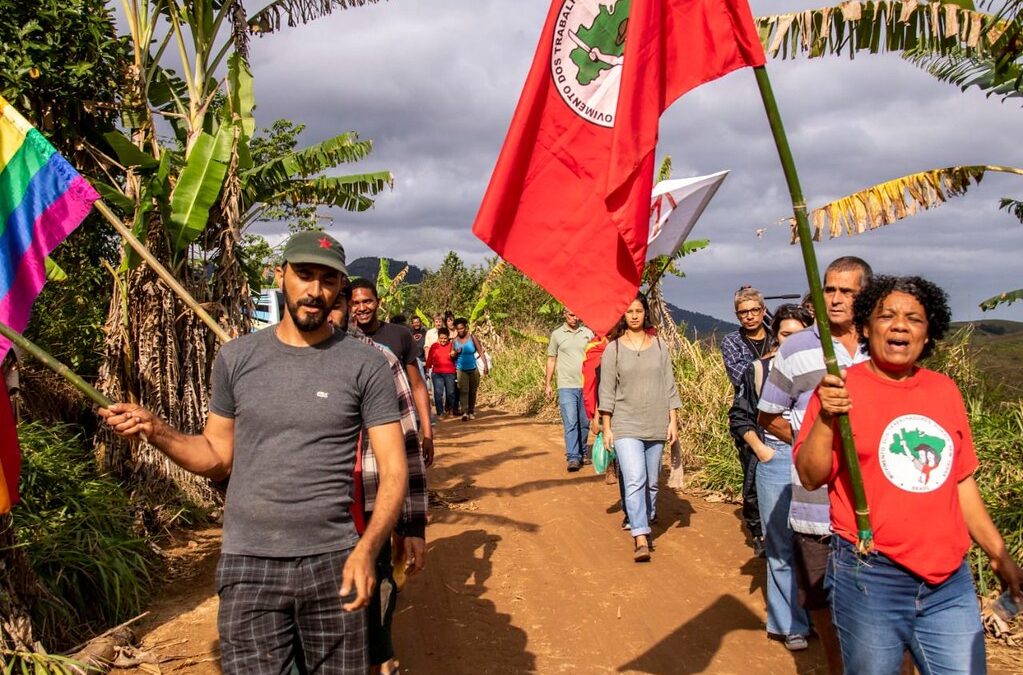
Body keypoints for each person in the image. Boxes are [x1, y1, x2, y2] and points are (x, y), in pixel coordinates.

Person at [100, 232, 407, 673]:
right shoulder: (237, 358)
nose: (315, 290)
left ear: (340, 286)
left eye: (327, 280)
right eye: (304, 275)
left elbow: (393, 471)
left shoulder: (366, 365)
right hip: (248, 564)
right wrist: (157, 431)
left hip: (334, 560)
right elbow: (216, 456)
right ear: (281, 275)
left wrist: (367, 549)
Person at [795, 275, 1023, 674]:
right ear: (866, 328)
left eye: (914, 319)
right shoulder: (839, 389)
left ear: (927, 333)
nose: (900, 325)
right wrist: (827, 416)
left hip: (948, 579)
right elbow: (811, 476)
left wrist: (998, 553)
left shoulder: (943, 390)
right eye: (886, 316)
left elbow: (960, 481)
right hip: (871, 574)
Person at [757, 256, 872, 675]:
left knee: (880, 609)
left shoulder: (880, 345)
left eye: (847, 291)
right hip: (815, 508)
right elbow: (768, 414)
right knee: (823, 603)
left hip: (873, 507)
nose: (836, 299)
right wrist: (812, 452)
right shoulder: (797, 348)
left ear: (866, 295)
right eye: (829, 290)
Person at [328, 292, 427, 675]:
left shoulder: (380, 360)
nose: (328, 313)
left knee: (377, 582)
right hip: (313, 512)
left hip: (369, 502)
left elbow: (407, 444)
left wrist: (413, 525)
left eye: (337, 304)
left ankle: (379, 655)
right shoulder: (283, 362)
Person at [729, 304, 814, 651]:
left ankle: (817, 613)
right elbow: (740, 416)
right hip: (776, 458)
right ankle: (790, 623)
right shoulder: (760, 370)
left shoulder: (822, 370)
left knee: (814, 542)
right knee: (780, 544)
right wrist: (763, 451)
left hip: (816, 460)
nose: (792, 341)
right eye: (785, 334)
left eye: (799, 334)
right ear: (775, 337)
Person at [598, 293, 681, 562]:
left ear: (646, 313)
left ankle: (645, 515)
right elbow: (606, 391)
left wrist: (673, 421)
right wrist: (607, 427)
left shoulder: (659, 346)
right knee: (635, 478)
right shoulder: (613, 349)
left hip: (656, 422)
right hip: (625, 423)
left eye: (639, 311)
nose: (634, 316)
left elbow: (669, 386)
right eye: (629, 311)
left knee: (652, 482)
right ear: (623, 315)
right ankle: (641, 536)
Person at [350, 279, 434, 468]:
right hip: (358, 430)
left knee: (400, 476)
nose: (362, 308)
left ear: (378, 302)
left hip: (397, 423)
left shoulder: (399, 335)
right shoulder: (345, 340)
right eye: (355, 303)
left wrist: (428, 434)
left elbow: (418, 385)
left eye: (367, 301)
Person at [722, 286, 775, 556]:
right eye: (744, 312)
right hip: (748, 416)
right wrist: (772, 360)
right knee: (752, 475)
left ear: (763, 311)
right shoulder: (732, 341)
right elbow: (741, 375)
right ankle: (758, 532)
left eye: (755, 310)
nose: (750, 316)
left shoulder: (777, 335)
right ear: (737, 315)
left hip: (779, 415)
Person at [545, 308, 595, 472]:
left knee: (584, 422)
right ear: (564, 315)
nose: (575, 318)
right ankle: (573, 457)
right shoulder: (557, 335)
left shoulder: (587, 333)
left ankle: (582, 452)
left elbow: (596, 355)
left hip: (586, 385)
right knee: (571, 422)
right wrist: (548, 384)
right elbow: (551, 359)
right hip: (566, 385)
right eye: (571, 315)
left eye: (577, 315)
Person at [451, 317, 488, 420]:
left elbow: (480, 351)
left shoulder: (472, 337)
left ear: (465, 327)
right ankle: (465, 412)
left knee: (472, 391)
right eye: (458, 329)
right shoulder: (455, 341)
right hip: (461, 369)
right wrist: (456, 352)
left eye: (462, 328)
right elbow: (452, 355)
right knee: (464, 391)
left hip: (473, 368)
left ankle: (471, 410)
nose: (460, 331)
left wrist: (485, 365)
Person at [425, 327, 457, 418]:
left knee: (450, 392)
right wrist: (427, 368)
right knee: (438, 393)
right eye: (441, 338)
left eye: (445, 338)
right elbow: (429, 358)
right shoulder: (434, 346)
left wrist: (454, 354)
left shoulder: (452, 345)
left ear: (448, 337)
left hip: (450, 372)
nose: (443, 340)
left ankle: (450, 409)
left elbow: (456, 357)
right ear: (438, 337)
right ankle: (440, 412)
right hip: (437, 373)